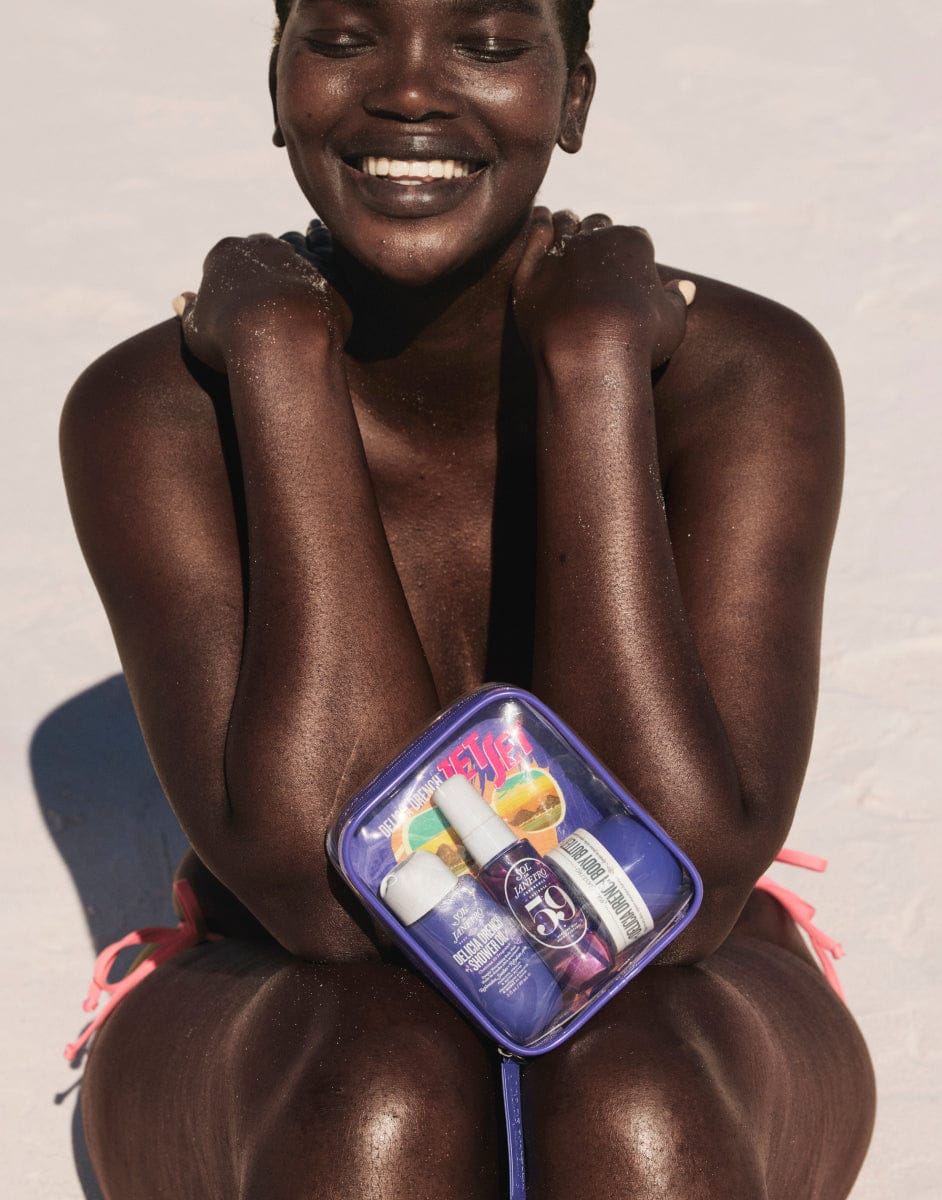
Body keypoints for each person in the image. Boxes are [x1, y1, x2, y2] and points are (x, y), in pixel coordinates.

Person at [60, 0, 876, 1196]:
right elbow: (326, 903)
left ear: (575, 96)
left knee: (625, 1069)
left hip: (687, 1006)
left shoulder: (739, 372)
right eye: (343, 39)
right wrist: (286, 372)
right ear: (275, 80)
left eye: (489, 45)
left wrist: (592, 374)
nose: (408, 92)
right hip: (285, 1007)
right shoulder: (159, 405)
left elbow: (677, 907)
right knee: (383, 1074)